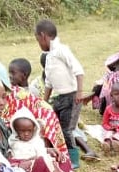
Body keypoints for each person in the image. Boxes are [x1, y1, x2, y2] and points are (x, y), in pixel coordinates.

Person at [36, 19, 85, 154]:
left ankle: (73, 157)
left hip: (72, 96)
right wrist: (44, 102)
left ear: (43, 36)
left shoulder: (62, 50)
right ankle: (59, 152)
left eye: (38, 40)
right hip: (60, 97)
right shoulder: (49, 56)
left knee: (67, 129)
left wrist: (79, 92)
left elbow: (78, 70)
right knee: (54, 125)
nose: (39, 44)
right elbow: (48, 82)